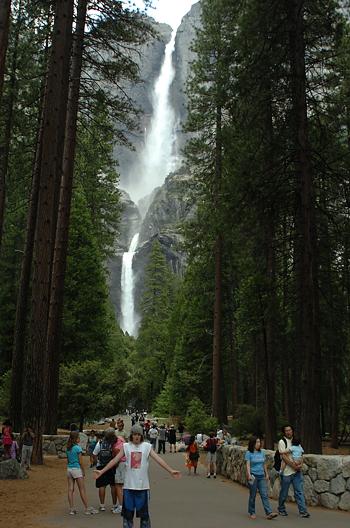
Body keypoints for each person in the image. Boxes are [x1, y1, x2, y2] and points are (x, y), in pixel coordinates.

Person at [93, 424, 181, 528]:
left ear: (142, 435)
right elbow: (114, 460)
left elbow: (158, 459)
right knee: (127, 517)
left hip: (142, 488)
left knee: (144, 517)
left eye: (139, 434)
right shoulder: (126, 446)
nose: (137, 437)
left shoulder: (147, 447)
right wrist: (102, 471)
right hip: (128, 488)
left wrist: (170, 470)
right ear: (131, 435)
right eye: (135, 434)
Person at [278, 425, 310, 518]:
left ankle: (303, 511)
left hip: (297, 472)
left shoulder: (296, 441)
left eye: (290, 430)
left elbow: (301, 454)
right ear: (284, 432)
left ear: (292, 431)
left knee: (299, 491)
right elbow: (283, 456)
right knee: (284, 492)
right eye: (286, 431)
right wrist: (293, 465)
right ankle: (281, 509)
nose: (289, 432)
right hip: (287, 472)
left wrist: (300, 465)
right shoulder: (282, 442)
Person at [245, 436, 277, 520]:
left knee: (264, 494)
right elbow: (248, 465)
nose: (259, 444)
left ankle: (269, 512)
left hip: (261, 476)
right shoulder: (249, 453)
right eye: (257, 442)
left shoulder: (262, 452)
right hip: (253, 476)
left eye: (259, 442)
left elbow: (264, 464)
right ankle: (252, 512)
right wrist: (248, 474)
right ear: (253, 443)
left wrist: (266, 474)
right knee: (253, 495)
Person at [66, 431, 98, 515]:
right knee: (82, 489)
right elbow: (80, 462)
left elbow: (68, 460)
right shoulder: (78, 448)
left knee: (70, 489)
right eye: (78, 437)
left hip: (69, 469)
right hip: (76, 469)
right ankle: (87, 508)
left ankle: (71, 509)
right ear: (76, 439)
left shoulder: (68, 448)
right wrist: (83, 471)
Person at [93, 428, 117, 511]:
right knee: (113, 486)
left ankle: (102, 505)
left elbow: (94, 454)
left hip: (101, 466)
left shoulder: (100, 443)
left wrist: (97, 463)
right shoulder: (114, 443)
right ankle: (114, 505)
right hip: (112, 466)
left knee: (102, 486)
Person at [112, 434, 127, 514]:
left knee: (118, 485)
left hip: (120, 464)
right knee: (124, 485)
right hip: (125, 463)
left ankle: (121, 506)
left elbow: (117, 456)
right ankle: (125, 504)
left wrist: (115, 464)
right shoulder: (121, 439)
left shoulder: (117, 445)